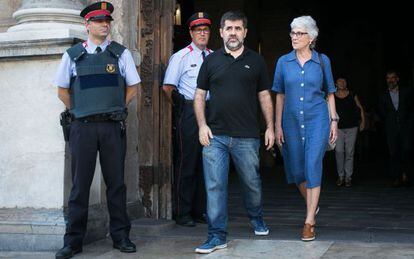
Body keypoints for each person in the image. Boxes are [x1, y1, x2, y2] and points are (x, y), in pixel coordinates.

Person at [54, 2, 140, 258]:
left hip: (112, 126)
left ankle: (121, 236)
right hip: (83, 128)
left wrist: (116, 107)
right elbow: (62, 91)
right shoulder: (72, 55)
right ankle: (73, 241)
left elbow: (132, 88)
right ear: (87, 24)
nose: (105, 24)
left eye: (108, 20)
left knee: (116, 184)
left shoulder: (120, 53)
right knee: (80, 186)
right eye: (100, 20)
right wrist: (81, 110)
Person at [193, 11, 275, 254]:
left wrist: (270, 127)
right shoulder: (211, 61)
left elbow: (264, 96)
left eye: (238, 28)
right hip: (215, 135)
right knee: (215, 185)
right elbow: (199, 95)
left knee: (252, 183)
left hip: (247, 136)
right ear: (221, 32)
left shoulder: (256, 61)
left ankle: (256, 217)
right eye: (228, 28)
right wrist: (202, 125)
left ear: (245, 32)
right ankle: (217, 235)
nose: (233, 33)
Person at [273, 15, 337, 242]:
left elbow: (330, 92)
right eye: (292, 32)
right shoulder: (283, 62)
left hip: (317, 119)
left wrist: (334, 121)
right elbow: (280, 95)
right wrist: (277, 125)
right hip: (290, 121)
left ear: (311, 37)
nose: (294, 37)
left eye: (299, 33)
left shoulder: (322, 61)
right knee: (297, 169)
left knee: (312, 164)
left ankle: (309, 220)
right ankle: (313, 204)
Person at [162, 12, 212, 227]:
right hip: (189, 112)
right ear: (191, 33)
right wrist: (182, 110)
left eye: (206, 30)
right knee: (187, 162)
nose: (202, 33)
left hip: (212, 112)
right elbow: (168, 87)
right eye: (198, 30)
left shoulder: (215, 56)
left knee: (207, 164)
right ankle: (183, 212)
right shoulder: (181, 56)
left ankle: (200, 210)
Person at [378, 70, 413, 187]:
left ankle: (406, 175)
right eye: (388, 78)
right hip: (391, 127)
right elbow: (381, 111)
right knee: (393, 153)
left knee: (406, 150)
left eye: (393, 78)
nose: (390, 80)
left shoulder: (406, 92)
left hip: (405, 127)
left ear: (397, 79)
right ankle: (396, 177)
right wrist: (388, 121)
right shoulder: (383, 95)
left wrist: (409, 123)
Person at [334, 77, 366, 187]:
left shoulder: (352, 94)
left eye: (344, 81)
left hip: (352, 127)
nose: (342, 83)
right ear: (335, 84)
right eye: (339, 81)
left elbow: (360, 107)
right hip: (337, 128)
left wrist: (363, 121)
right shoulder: (332, 95)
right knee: (338, 151)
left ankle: (348, 177)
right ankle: (340, 176)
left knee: (349, 152)